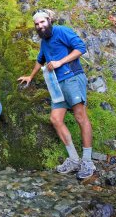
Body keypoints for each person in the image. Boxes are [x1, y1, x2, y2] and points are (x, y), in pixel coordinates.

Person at [18, 9, 95, 179]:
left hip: (72, 78)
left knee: (81, 117)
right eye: (37, 24)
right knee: (55, 119)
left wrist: (60, 62)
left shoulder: (61, 31)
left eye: (42, 22)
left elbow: (81, 48)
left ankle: (88, 161)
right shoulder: (44, 41)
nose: (40, 26)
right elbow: (40, 60)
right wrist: (30, 76)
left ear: (49, 20)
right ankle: (74, 159)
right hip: (56, 85)